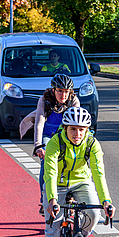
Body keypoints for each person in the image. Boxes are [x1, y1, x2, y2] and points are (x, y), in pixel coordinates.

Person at [42, 107, 115, 237]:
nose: (78, 134)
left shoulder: (92, 144)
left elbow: (99, 174)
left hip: (82, 182)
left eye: (82, 129)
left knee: (94, 213)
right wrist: (51, 200)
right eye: (73, 129)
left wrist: (106, 201)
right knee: (53, 230)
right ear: (65, 128)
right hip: (57, 184)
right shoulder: (55, 143)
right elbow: (49, 173)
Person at [33, 73, 80, 214]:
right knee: (46, 163)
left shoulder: (74, 100)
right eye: (60, 91)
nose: (63, 95)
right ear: (53, 90)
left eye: (66, 91)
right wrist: (38, 145)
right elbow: (39, 123)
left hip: (66, 136)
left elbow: (77, 123)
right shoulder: (45, 100)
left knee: (75, 161)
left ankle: (71, 196)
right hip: (49, 135)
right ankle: (44, 199)